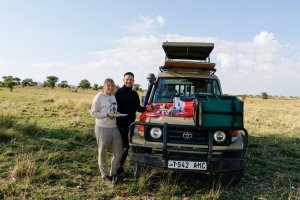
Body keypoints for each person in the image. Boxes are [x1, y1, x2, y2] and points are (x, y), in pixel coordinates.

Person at [90, 78, 123, 184]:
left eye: (112, 86)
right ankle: (104, 176)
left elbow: (112, 110)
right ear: (104, 86)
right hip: (102, 128)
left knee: (119, 152)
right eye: (108, 85)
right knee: (102, 152)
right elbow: (93, 113)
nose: (110, 87)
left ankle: (113, 173)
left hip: (114, 127)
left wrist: (116, 114)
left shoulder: (113, 96)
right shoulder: (99, 96)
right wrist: (106, 115)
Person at [115, 72, 146, 176]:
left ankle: (120, 166)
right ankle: (116, 168)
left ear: (133, 81)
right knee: (120, 147)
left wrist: (148, 109)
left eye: (131, 79)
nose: (129, 81)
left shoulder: (135, 94)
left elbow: (138, 107)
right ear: (123, 80)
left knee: (127, 147)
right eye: (127, 79)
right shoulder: (118, 93)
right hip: (120, 125)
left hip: (131, 125)